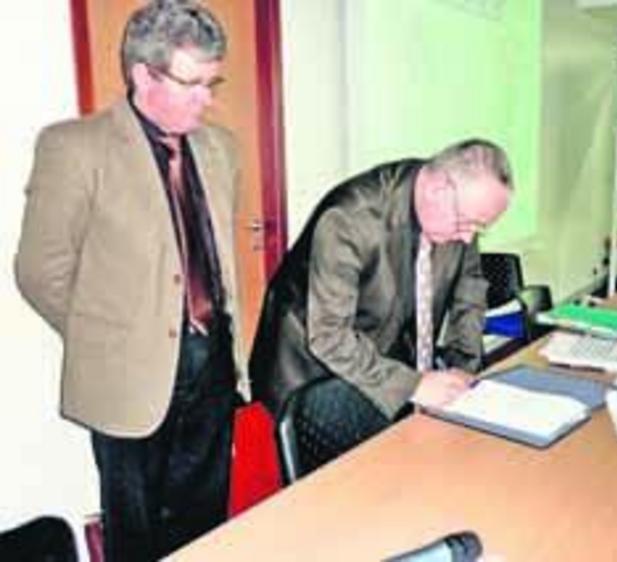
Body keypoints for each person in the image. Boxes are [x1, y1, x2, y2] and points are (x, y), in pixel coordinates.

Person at [15, 1, 247, 560]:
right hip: (128, 380)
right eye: (193, 83)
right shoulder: (75, 147)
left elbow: (210, 255)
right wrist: (110, 338)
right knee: (137, 536)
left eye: (212, 82)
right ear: (144, 74)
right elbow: (40, 269)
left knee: (206, 523)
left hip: (211, 365)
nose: (207, 99)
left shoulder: (220, 149)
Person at [249, 139, 513, 422]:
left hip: (377, 359)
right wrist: (413, 385)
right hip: (309, 369)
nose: (468, 238)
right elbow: (329, 335)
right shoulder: (349, 220)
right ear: (438, 190)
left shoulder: (459, 214)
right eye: (467, 223)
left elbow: (469, 291)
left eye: (479, 228)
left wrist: (463, 365)